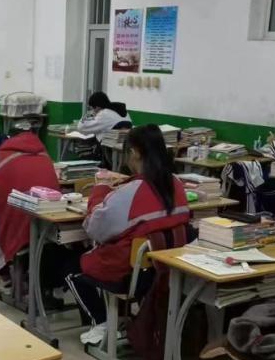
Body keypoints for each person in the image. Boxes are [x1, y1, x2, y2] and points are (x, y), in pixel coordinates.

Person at [67, 125, 191, 344]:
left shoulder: (132, 192)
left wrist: (100, 190)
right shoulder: (177, 184)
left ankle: (102, 322)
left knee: (71, 266)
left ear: (134, 152)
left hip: (133, 275)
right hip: (165, 270)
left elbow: (95, 228)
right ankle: (122, 317)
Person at [0, 130, 60, 292]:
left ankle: (2, 275)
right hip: (46, 219)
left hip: (15, 219)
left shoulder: (0, 157)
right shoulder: (45, 156)